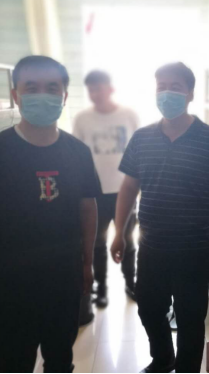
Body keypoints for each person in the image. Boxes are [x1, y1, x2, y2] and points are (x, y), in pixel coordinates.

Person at [0, 56, 101, 373]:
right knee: (14, 361)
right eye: (31, 87)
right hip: (12, 277)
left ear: (64, 96)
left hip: (64, 274)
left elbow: (87, 209)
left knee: (60, 358)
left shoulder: (78, 152)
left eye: (51, 88)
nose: (42, 95)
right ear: (16, 95)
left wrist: (87, 264)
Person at [111, 62, 209, 374]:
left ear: (190, 93)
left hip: (194, 249)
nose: (167, 93)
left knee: (191, 319)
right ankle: (163, 358)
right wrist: (118, 233)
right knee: (149, 309)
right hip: (151, 247)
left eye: (175, 87)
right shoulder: (141, 138)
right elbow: (128, 188)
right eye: (161, 87)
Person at [73, 70, 140, 308]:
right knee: (96, 244)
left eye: (99, 88)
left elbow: (139, 151)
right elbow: (77, 155)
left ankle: (131, 282)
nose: (95, 94)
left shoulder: (128, 115)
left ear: (110, 89)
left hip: (125, 191)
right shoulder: (82, 119)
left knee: (128, 241)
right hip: (94, 193)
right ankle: (100, 288)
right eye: (91, 90)